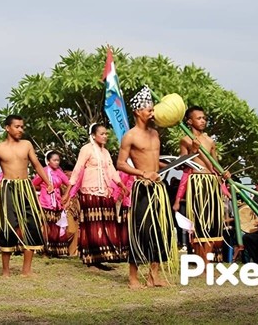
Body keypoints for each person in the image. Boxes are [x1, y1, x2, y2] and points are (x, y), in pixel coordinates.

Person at [117, 86, 175, 288]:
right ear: (137, 112)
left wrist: (171, 166)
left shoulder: (155, 134)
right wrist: (143, 173)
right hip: (142, 187)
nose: (152, 112)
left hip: (158, 187)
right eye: (148, 109)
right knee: (141, 230)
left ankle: (154, 276)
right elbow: (121, 164)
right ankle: (133, 278)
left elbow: (154, 160)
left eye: (152, 109)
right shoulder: (130, 136)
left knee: (161, 230)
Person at [0, 115, 52, 277]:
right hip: (8, 188)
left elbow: (37, 164)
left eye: (22, 126)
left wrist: (48, 182)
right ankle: (6, 271)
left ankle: (27, 270)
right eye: (17, 126)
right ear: (7, 128)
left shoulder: (27, 145)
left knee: (31, 225)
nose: (20, 130)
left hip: (25, 187)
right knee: (8, 227)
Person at [67, 123, 129, 269]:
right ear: (94, 135)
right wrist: (68, 190)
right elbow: (78, 168)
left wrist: (121, 185)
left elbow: (112, 170)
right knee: (92, 225)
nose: (105, 136)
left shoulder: (106, 152)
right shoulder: (86, 149)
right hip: (90, 191)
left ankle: (105, 254)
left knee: (107, 222)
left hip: (105, 191)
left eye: (106, 133)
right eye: (102, 133)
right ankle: (92, 257)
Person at [174, 106, 229, 262]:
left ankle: (209, 260)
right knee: (199, 222)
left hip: (211, 182)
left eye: (204, 118)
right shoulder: (186, 140)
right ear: (190, 121)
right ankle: (201, 261)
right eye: (199, 118)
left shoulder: (210, 141)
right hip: (196, 182)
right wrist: (193, 151)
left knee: (212, 222)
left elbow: (215, 166)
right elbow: (181, 165)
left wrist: (223, 175)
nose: (203, 120)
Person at [32, 151, 72, 257]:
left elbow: (69, 184)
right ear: (48, 161)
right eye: (54, 160)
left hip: (57, 204)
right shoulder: (43, 171)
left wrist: (66, 196)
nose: (57, 162)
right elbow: (33, 184)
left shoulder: (59, 172)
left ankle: (54, 250)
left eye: (58, 160)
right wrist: (43, 188)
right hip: (45, 203)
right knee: (46, 227)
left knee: (56, 227)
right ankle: (44, 250)